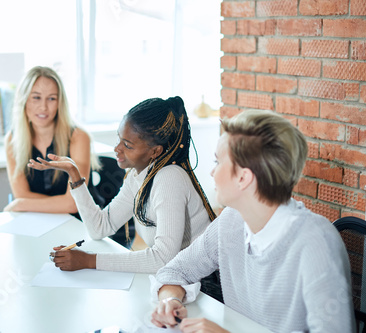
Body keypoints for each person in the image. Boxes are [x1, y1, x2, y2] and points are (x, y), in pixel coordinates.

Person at [150, 110, 355, 332]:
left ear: (243, 178)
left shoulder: (317, 242)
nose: (211, 172)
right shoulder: (232, 220)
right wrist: (170, 302)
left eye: (217, 162)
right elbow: (176, 271)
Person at [29, 96, 216, 273]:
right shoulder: (137, 176)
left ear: (155, 151)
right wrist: (74, 174)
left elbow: (163, 258)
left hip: (207, 284)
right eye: (119, 138)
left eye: (127, 145)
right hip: (182, 276)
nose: (117, 148)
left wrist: (87, 261)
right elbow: (100, 227)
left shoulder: (169, 179)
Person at [3, 66, 103, 214]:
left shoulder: (79, 137)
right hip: (40, 220)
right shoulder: (13, 139)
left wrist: (21, 204)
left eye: (51, 98)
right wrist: (24, 202)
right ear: (23, 101)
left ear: (59, 103)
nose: (43, 107)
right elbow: (22, 195)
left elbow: (73, 204)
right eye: (36, 97)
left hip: (81, 221)